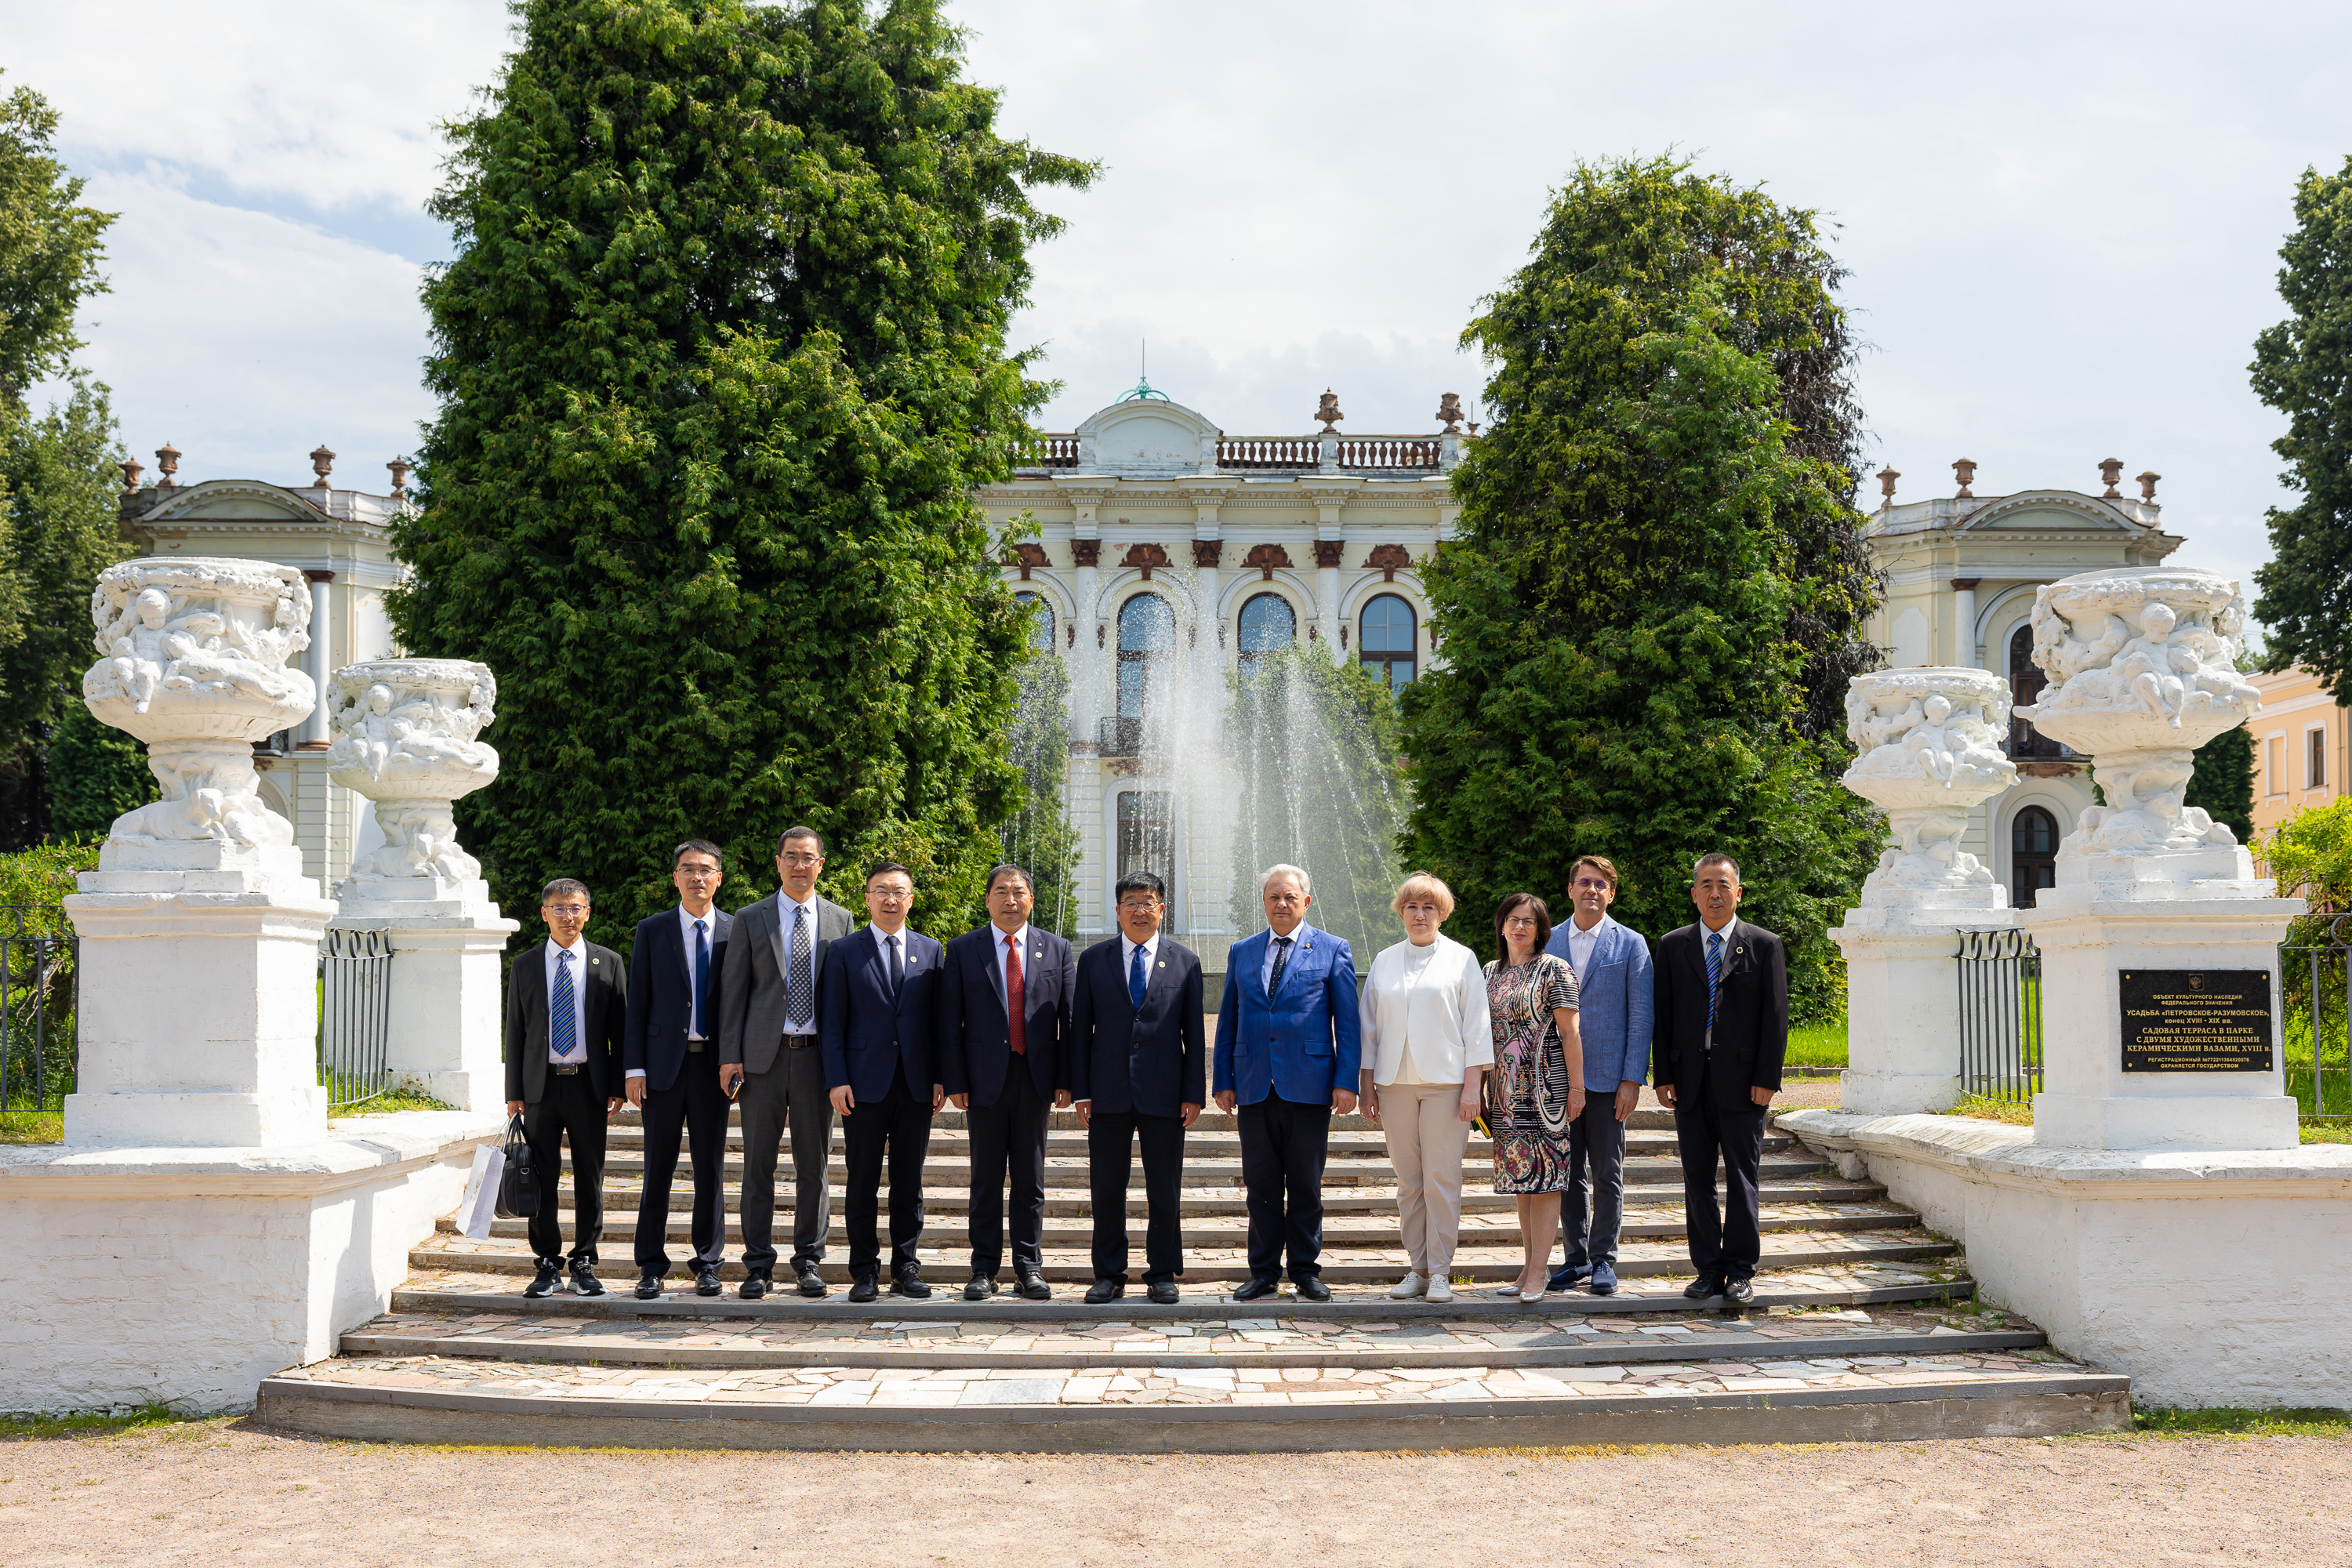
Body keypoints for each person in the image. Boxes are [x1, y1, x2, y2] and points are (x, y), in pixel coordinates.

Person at [716, 826, 853, 1300]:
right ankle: (757, 1265)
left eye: (807, 857)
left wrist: (844, 1066)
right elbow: (733, 992)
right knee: (758, 1165)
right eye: (790, 856)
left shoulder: (840, 919)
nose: (799, 865)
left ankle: (808, 1261)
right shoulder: (750, 918)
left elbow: (845, 1000)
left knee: (814, 1166)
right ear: (777, 863)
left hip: (817, 1061)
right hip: (761, 1062)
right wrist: (729, 1056)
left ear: (821, 864)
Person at [1214, 864, 1360, 1303]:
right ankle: (1263, 1273)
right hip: (1254, 1083)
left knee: (1305, 1184)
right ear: (1264, 902)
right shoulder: (1242, 951)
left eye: (1290, 897)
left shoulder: (1332, 948)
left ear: (1306, 902)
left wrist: (1346, 1081)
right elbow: (1228, 1018)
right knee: (1259, 1185)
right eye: (1274, 897)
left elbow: (1347, 1023)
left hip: (1310, 1085)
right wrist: (1223, 1079)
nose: (1282, 903)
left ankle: (1305, 1270)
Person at [1654, 852, 1788, 1305]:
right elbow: (1663, 1016)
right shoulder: (1673, 945)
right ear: (1694, 894)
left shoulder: (1764, 945)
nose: (1715, 894)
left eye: (1723, 885)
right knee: (1697, 1178)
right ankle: (1709, 1270)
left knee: (1742, 1176)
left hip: (1745, 1084)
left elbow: (1775, 1018)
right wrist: (1664, 1074)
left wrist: (1767, 1077)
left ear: (1739, 893)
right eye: (1707, 885)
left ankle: (1740, 1270)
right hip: (1689, 1082)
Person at [936, 863, 1074, 1301]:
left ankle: (1029, 1267)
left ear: (1031, 899)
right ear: (988, 900)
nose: (1010, 900)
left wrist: (1066, 1078)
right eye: (1001, 891)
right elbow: (949, 1022)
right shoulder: (963, 949)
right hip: (983, 1080)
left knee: (1031, 1179)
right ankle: (983, 1268)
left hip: (1036, 1078)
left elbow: (1068, 1022)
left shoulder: (1057, 949)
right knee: (986, 1178)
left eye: (1018, 892)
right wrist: (955, 1079)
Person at [1070, 871, 1205, 1305]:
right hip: (1107, 1092)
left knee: (1164, 1188)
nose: (1140, 911)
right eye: (1131, 903)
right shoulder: (1094, 960)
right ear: (1118, 911)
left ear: (1162, 909)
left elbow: (1193, 1034)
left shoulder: (1185, 961)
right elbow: (1080, 1031)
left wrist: (1194, 1093)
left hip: (1164, 1092)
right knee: (1107, 1187)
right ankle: (1108, 1274)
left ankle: (1162, 1273)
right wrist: (1081, 1090)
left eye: (1148, 902)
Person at [1357, 873, 1492, 1305]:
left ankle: (1440, 1272)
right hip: (1393, 1084)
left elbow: (1477, 1027)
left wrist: (1473, 1087)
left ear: (1442, 914)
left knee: (1441, 1179)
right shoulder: (1384, 960)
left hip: (1446, 1085)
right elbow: (1369, 1028)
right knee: (1409, 1181)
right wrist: (1366, 1085)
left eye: (1429, 907)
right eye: (1412, 907)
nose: (1420, 914)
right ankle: (1417, 1268)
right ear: (1401, 912)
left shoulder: (1462, 959)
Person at [818, 861, 946, 1303]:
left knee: (909, 1182)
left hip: (915, 1084)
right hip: (862, 1085)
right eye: (882, 891)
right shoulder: (843, 950)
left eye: (899, 892)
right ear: (868, 898)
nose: (891, 900)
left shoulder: (931, 950)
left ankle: (906, 1267)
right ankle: (864, 1271)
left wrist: (939, 1077)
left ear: (911, 899)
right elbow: (832, 1021)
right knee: (863, 1182)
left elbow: (939, 1023)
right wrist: (837, 1079)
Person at [504, 877, 628, 1299]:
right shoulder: (525, 965)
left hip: (589, 1087)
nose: (567, 916)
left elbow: (619, 1031)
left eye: (575, 908)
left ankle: (585, 1261)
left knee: (589, 1176)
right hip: (540, 1088)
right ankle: (546, 1263)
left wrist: (617, 1085)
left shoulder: (608, 962)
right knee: (540, 1176)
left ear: (587, 913)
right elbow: (515, 1031)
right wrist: (514, 1091)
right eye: (558, 908)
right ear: (545, 914)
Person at [622, 840, 735, 1300]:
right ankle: (651, 1265)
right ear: (675, 878)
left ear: (719, 878)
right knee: (657, 1169)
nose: (697, 877)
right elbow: (638, 1002)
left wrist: (738, 1059)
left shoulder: (735, 930)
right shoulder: (653, 930)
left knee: (710, 1168)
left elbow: (742, 1000)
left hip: (713, 1068)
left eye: (706, 870)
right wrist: (634, 1067)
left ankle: (708, 1263)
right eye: (688, 869)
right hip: (662, 1068)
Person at [1542, 856, 1653, 1296]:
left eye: (1601, 884)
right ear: (1570, 889)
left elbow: (1641, 1016)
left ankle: (1605, 1259)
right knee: (1567, 1174)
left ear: (1612, 893)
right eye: (1584, 882)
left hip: (1609, 1081)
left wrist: (1632, 1079)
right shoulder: (1547, 941)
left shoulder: (1631, 944)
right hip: (1556, 1078)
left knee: (1607, 1173)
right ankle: (1576, 1259)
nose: (1592, 889)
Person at [1484, 893, 1585, 1302]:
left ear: (1541, 929)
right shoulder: (1490, 972)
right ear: (1502, 925)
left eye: (1529, 921)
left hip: (1546, 1091)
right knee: (1522, 1180)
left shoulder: (1555, 969)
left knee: (1545, 1181)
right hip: (1506, 1094)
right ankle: (1528, 1267)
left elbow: (1571, 1033)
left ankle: (1540, 1271)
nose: (1520, 927)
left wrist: (1577, 1089)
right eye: (1513, 919)